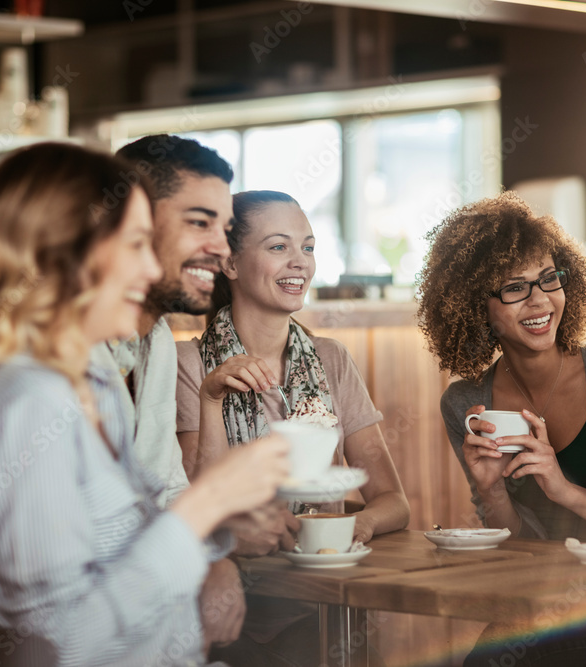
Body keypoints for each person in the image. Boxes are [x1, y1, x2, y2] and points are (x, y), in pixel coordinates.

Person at [0, 143, 290, 666]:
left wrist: (220, 527)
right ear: (66, 252)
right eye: (137, 244)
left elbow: (119, 549)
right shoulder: (29, 404)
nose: (149, 268)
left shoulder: (91, 383)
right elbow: (57, 647)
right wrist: (204, 505)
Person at [175, 190, 410, 664]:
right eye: (279, 247)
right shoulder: (189, 365)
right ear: (232, 263)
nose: (300, 262)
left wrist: (351, 526)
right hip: (232, 610)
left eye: (308, 246)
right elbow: (205, 501)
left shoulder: (331, 359)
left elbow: (394, 502)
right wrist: (213, 398)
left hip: (328, 605)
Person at [417, 191, 586, 544]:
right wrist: (492, 491)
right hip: (532, 587)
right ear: (477, 305)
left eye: (548, 278)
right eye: (514, 288)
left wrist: (564, 491)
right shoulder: (465, 404)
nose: (540, 299)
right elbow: (516, 544)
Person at [109, 134, 266, 654]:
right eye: (199, 222)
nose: (221, 248)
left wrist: (216, 559)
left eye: (224, 228)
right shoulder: (52, 351)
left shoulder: (153, 338)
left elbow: (164, 486)